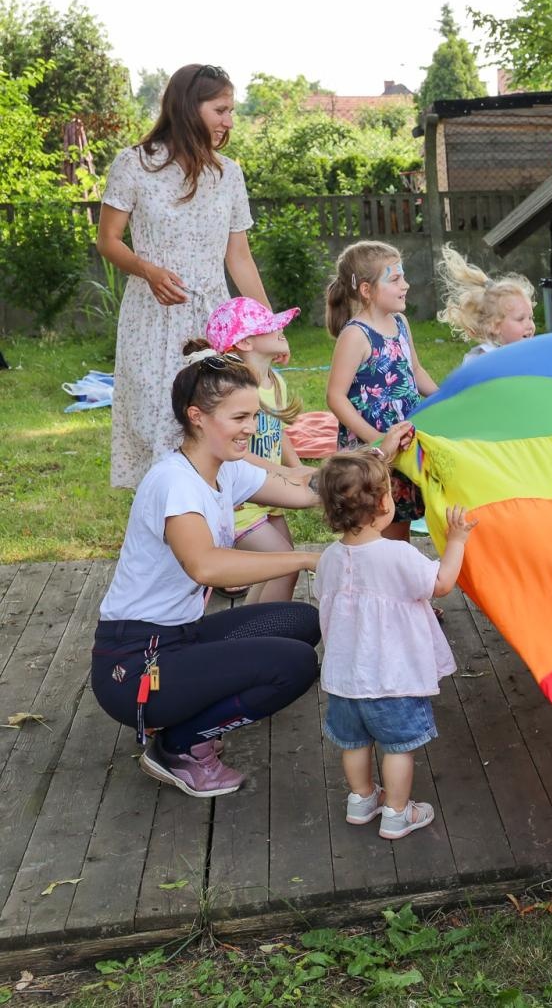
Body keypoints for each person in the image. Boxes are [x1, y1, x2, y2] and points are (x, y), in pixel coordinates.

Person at [91, 341, 414, 798]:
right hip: (134, 663)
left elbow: (307, 487)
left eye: (253, 414)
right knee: (295, 666)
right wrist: (306, 558)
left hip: (178, 636)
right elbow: (205, 565)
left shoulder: (225, 469)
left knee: (300, 621)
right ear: (197, 417)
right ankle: (178, 746)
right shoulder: (174, 482)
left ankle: (186, 715)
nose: (252, 428)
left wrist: (380, 453)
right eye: (239, 418)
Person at [98, 64, 268, 489]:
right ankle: (163, 527)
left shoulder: (229, 173)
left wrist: (266, 325)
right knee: (157, 417)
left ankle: (209, 529)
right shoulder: (134, 164)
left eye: (231, 111)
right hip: (153, 316)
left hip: (212, 321)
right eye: (221, 110)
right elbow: (109, 240)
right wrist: (148, 270)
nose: (229, 121)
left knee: (213, 419)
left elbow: (240, 258)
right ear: (189, 108)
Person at [314, 451, 476, 840]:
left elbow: (325, 599)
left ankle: (361, 799)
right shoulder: (398, 554)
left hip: (344, 680)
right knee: (398, 748)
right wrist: (457, 540)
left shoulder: (329, 559)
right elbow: (440, 584)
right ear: (384, 504)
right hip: (393, 679)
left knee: (353, 743)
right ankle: (397, 812)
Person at [326, 241, 439, 541]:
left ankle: (396, 579)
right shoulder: (355, 335)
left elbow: (415, 370)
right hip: (370, 451)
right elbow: (335, 397)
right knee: (370, 525)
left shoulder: (400, 322)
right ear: (366, 289)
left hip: (402, 443)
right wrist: (374, 440)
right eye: (395, 279)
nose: (406, 284)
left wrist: (442, 397)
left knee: (398, 518)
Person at [205, 296, 305, 603]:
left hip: (269, 492)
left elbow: (279, 433)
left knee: (276, 569)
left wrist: (297, 467)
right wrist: (285, 473)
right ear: (246, 342)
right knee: (285, 563)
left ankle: (253, 631)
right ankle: (270, 633)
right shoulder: (234, 391)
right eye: (270, 327)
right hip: (242, 499)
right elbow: (233, 452)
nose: (281, 330)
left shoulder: (274, 381)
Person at [434, 243, 537, 362]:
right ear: (495, 326)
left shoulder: (527, 353)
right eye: (520, 319)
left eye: (531, 317)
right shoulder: (484, 360)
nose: (530, 325)